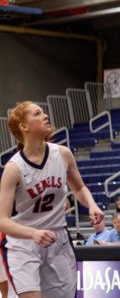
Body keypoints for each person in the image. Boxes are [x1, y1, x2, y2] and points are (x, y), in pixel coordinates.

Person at [0, 101, 104, 298]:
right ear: (24, 126)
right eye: (38, 113)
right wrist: (33, 233)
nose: (45, 116)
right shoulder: (14, 168)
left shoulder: (62, 154)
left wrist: (91, 205)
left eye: (44, 112)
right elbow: (2, 221)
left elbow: (80, 188)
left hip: (58, 240)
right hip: (23, 243)